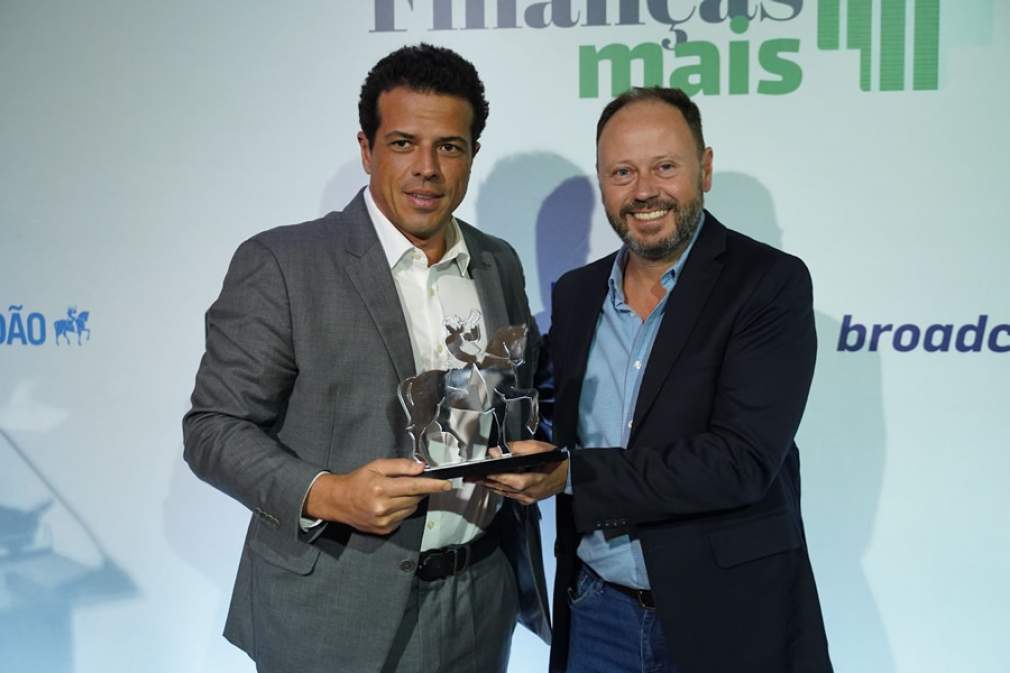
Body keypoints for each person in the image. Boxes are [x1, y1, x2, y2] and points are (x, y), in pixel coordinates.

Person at [182, 44, 550, 673]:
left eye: (449, 147)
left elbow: (516, 395)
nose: (427, 169)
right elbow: (213, 429)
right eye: (404, 143)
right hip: (332, 608)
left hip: (479, 600)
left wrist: (534, 458)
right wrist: (326, 494)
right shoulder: (284, 263)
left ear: (471, 154)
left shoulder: (498, 262)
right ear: (367, 149)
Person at [485, 87, 833, 673]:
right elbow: (550, 414)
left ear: (705, 169)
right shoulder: (576, 293)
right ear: (603, 183)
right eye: (622, 172)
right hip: (596, 614)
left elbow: (740, 462)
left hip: (727, 619)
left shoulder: (768, 284)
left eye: (664, 167)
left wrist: (572, 475)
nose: (644, 190)